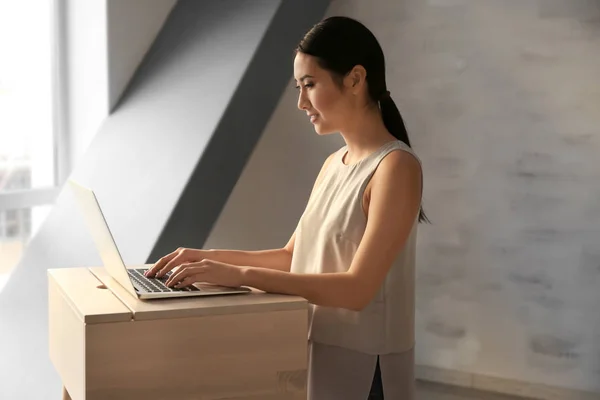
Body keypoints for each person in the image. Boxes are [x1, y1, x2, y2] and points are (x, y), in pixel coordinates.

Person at [146, 16, 427, 400]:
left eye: (309, 85)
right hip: (320, 348)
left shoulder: (396, 167)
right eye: (299, 87)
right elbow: (292, 256)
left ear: (356, 79)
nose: (301, 102)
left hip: (368, 367)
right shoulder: (334, 164)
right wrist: (205, 258)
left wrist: (238, 273)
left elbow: (358, 289)